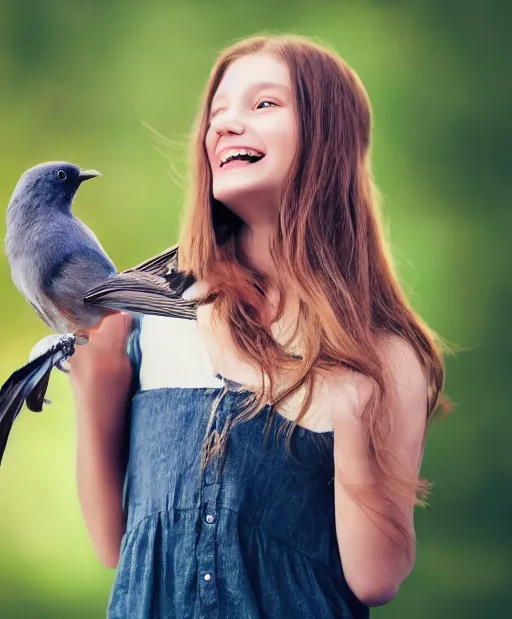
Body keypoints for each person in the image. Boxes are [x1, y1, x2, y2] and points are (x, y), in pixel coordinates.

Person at [66, 34, 451, 618]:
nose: (225, 126)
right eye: (216, 114)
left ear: (328, 136)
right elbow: (114, 547)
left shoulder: (385, 354)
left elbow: (376, 578)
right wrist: (97, 389)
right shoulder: (158, 320)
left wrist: (351, 417)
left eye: (263, 105)